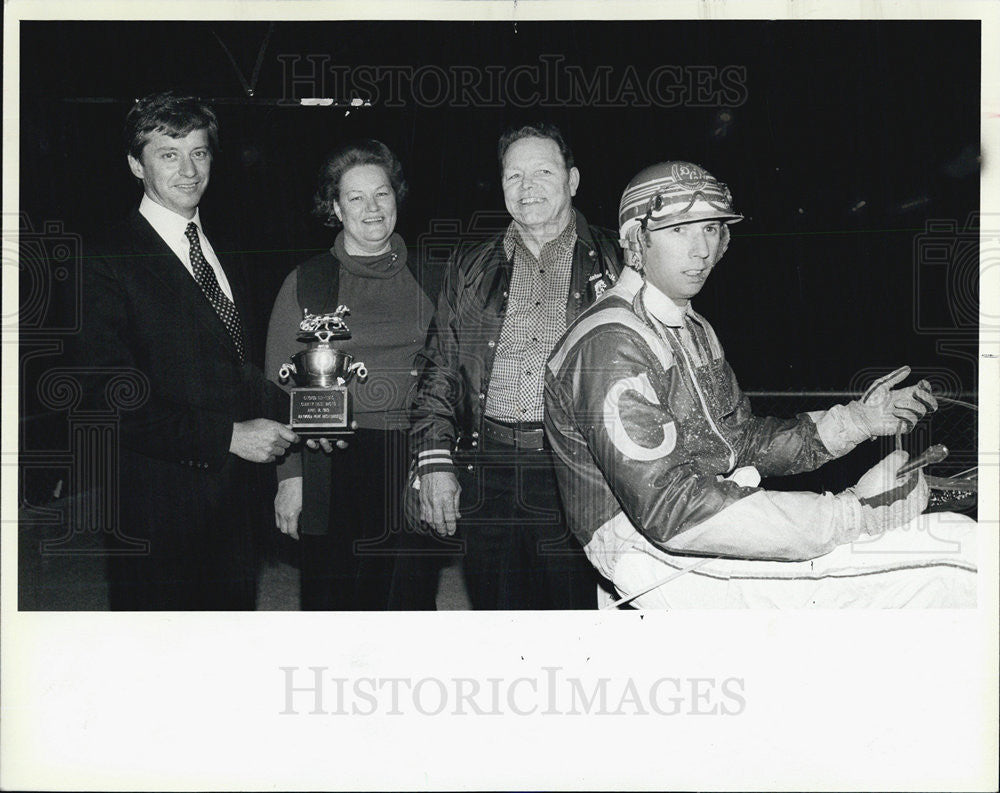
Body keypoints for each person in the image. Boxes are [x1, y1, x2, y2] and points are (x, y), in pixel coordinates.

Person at [544, 160, 976, 608]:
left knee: (942, 545)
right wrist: (851, 514)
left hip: (708, 520)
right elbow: (670, 508)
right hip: (651, 554)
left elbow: (742, 441)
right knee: (957, 559)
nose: (701, 251)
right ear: (637, 240)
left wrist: (857, 421)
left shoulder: (692, 328)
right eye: (679, 230)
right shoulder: (611, 342)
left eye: (711, 229)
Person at [78, 91, 296, 610]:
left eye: (199, 152)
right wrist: (228, 437)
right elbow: (108, 397)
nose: (188, 169)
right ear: (136, 164)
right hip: (156, 512)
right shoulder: (105, 257)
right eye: (168, 154)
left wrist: (309, 422)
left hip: (237, 507)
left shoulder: (227, 243)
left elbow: (239, 363)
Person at [409, 122, 623, 610]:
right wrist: (434, 460)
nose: (527, 188)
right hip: (489, 468)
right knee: (496, 622)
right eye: (513, 176)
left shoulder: (620, 260)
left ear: (572, 180)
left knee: (576, 627)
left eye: (542, 172)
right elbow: (439, 367)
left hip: (581, 472)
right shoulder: (470, 264)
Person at [267, 140, 445, 610]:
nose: (372, 208)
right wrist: (290, 477)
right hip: (328, 458)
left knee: (407, 604)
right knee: (334, 608)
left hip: (409, 457)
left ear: (396, 198)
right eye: (356, 197)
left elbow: (455, 375)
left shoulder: (434, 277)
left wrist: (439, 463)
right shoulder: (307, 280)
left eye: (381, 194)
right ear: (335, 208)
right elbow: (277, 385)